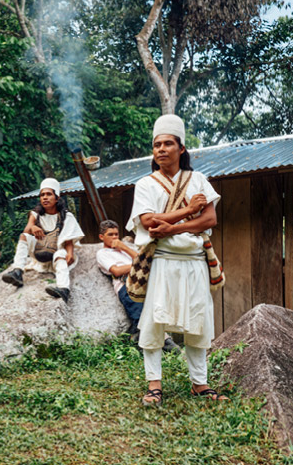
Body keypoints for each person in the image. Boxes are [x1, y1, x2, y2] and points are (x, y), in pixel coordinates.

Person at [126, 114, 228, 406]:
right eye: (156, 144)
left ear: (181, 148)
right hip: (163, 261)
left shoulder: (198, 180)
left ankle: (200, 384)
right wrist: (185, 213)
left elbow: (210, 218)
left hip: (194, 260)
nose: (160, 149)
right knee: (154, 322)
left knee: (199, 320)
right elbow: (148, 222)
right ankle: (154, 386)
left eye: (168, 144)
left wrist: (173, 227)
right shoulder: (146, 184)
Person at [96, 220, 180, 352]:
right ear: (102, 237)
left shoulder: (123, 250)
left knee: (152, 313)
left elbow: (143, 260)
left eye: (116, 234)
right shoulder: (102, 254)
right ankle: (161, 344)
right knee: (139, 316)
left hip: (143, 283)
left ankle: (150, 342)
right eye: (110, 234)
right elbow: (116, 271)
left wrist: (124, 248)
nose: (114, 238)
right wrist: (136, 266)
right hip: (126, 286)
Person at [2, 178, 84, 301]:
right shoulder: (35, 214)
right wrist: (33, 227)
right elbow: (26, 230)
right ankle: (18, 271)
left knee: (61, 254)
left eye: (49, 194)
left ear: (56, 198)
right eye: (42, 195)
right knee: (23, 236)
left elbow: (69, 239)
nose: (45, 197)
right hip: (39, 254)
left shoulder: (67, 216)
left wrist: (70, 254)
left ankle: (63, 289)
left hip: (56, 255)